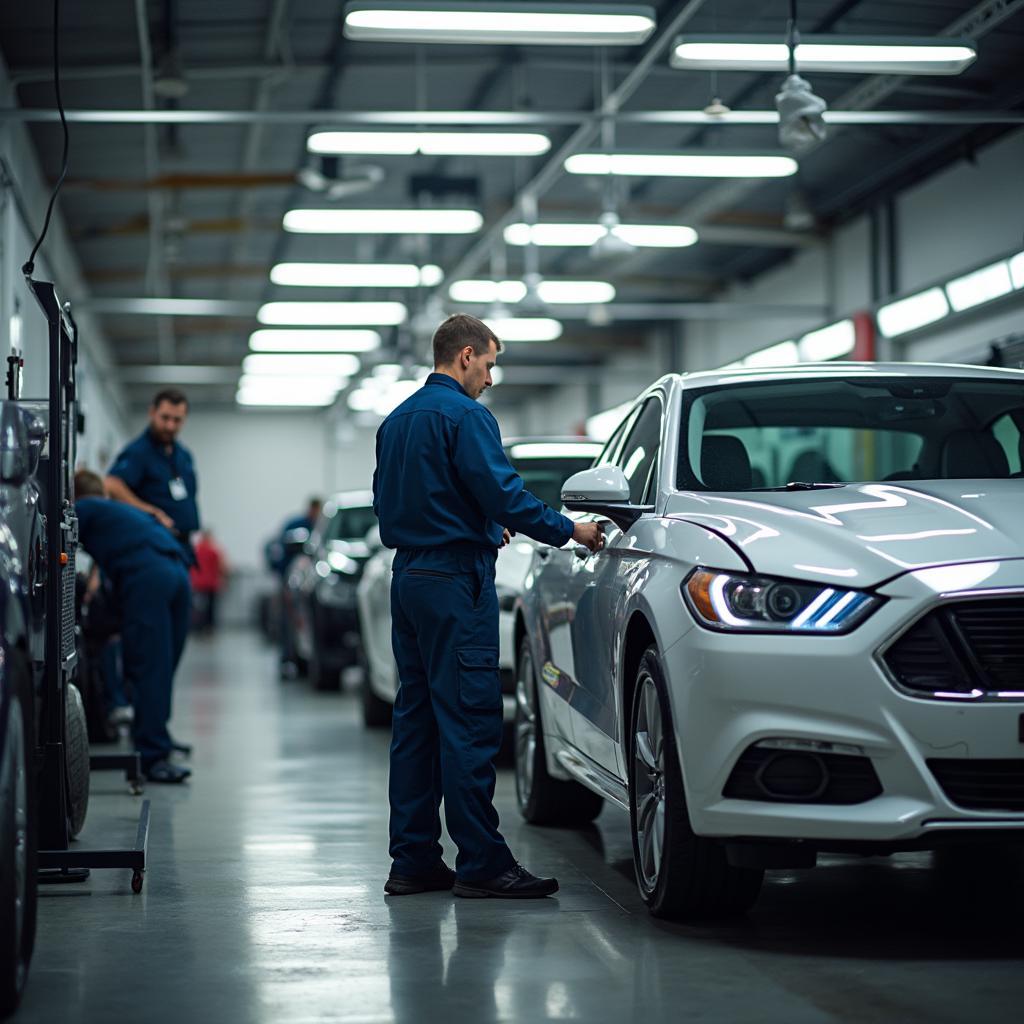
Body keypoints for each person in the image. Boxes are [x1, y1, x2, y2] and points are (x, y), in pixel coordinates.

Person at [373, 313, 604, 899]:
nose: (491, 379)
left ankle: (414, 860)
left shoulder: (396, 422)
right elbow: (503, 493)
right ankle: (481, 862)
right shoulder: (468, 416)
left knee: (416, 723)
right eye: (491, 364)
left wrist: (475, 525)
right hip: (455, 582)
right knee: (470, 722)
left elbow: (396, 501)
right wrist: (570, 530)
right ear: (467, 354)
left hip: (411, 577)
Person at [74, 470, 193, 783]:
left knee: (150, 666)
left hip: (148, 577)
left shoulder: (83, 509)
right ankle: (158, 738)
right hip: (177, 570)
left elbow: (56, 542)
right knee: (162, 665)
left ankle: (153, 755)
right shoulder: (121, 512)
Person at [106, 388, 199, 563]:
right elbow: (112, 484)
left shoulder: (183, 455)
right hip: (152, 546)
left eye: (177, 420)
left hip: (181, 547)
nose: (170, 426)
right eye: (165, 418)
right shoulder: (139, 452)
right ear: (152, 413)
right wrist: (151, 512)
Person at [267, 497, 322, 675]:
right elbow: (276, 548)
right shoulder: (296, 524)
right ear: (312, 509)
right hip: (292, 580)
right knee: (288, 620)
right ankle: (288, 659)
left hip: (316, 580)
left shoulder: (320, 525)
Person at [191, 529, 229, 633]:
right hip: (211, 583)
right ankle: (209, 627)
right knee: (211, 607)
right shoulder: (214, 550)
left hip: (197, 583)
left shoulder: (196, 549)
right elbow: (222, 567)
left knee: (197, 607)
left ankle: (197, 627)